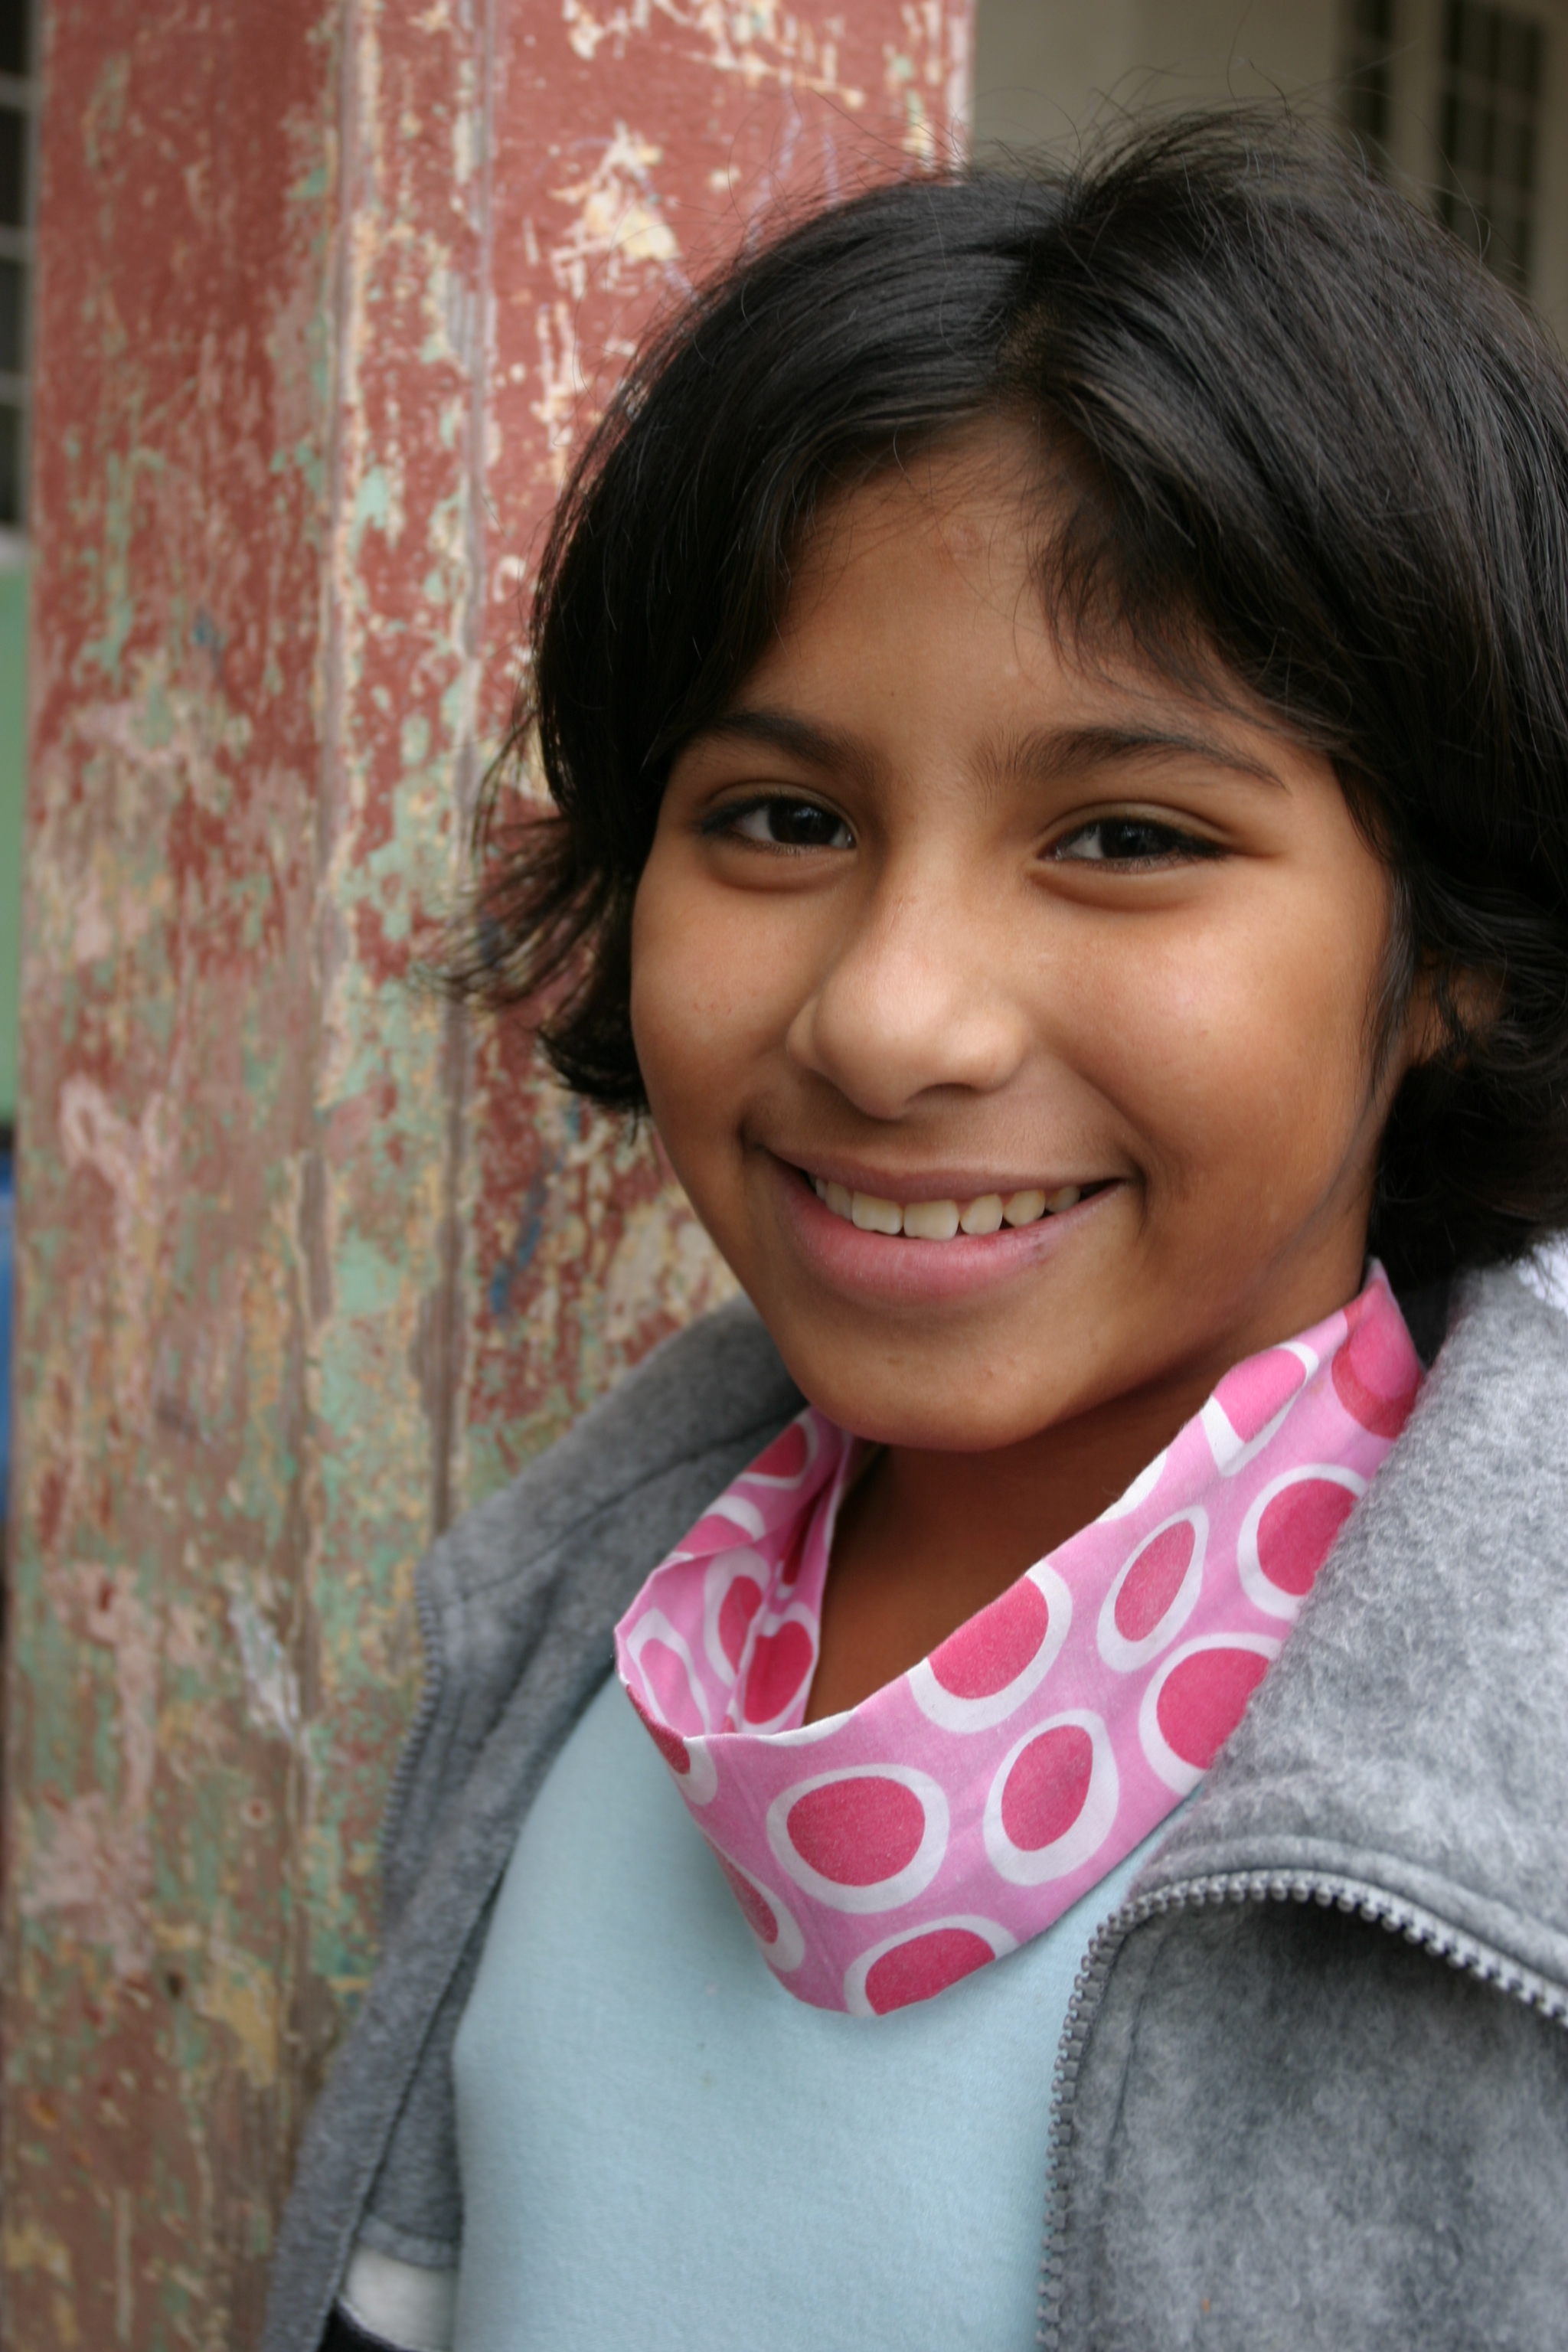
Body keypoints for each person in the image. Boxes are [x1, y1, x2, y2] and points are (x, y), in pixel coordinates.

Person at [264, 113, 1568, 2352]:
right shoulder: (573, 1648)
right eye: (780, 817)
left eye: (1128, 837)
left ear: (1450, 943)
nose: (892, 1018)